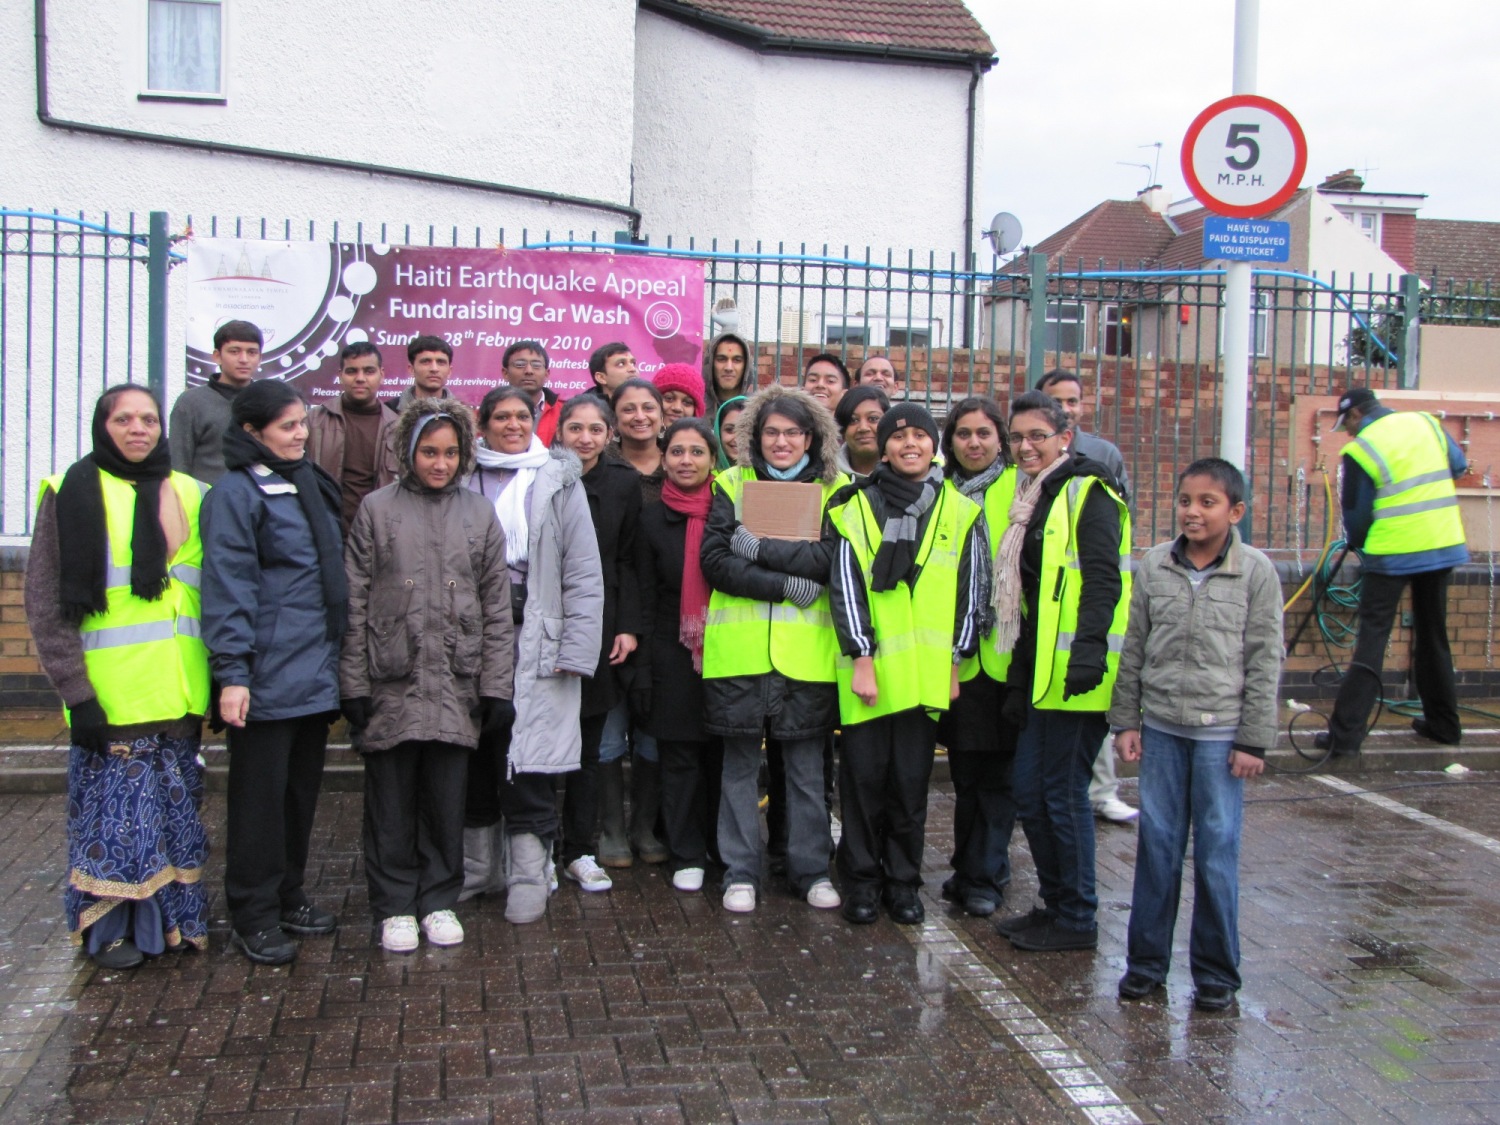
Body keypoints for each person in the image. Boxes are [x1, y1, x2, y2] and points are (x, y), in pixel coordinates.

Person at [25, 385, 212, 968]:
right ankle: (110, 932)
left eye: (149, 419)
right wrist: (76, 694)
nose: (139, 429)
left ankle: (176, 926)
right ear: (102, 426)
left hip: (178, 689)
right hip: (109, 698)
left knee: (174, 817)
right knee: (116, 823)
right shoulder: (70, 493)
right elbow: (45, 605)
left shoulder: (191, 492)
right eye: (125, 419)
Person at [341, 398, 513, 952]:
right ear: (407, 452)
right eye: (428, 452)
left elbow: (495, 606)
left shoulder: (478, 513)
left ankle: (439, 897)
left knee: (445, 798)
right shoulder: (376, 508)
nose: (439, 463)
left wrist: (495, 685)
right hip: (392, 675)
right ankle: (394, 903)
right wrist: (354, 683)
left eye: (450, 453)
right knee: (390, 800)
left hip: (456, 681)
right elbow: (354, 600)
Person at [1112, 458, 1283, 1012]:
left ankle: (1215, 975)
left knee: (1215, 854)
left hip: (1220, 738)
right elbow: (1134, 645)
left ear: (1234, 511)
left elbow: (1263, 660)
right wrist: (1127, 721)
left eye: (1208, 502)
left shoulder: (1255, 571)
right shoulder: (1155, 564)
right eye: (1186, 500)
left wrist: (1253, 740)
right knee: (1157, 848)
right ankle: (1145, 966)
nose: (1193, 511)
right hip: (1160, 731)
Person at [201, 379, 347, 966]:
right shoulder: (236, 495)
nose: (301, 434)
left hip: (314, 671)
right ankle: (252, 912)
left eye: (302, 424)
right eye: (288, 426)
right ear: (251, 433)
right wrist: (232, 673)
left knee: (298, 796)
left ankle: (289, 894)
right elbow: (228, 587)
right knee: (258, 802)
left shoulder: (306, 481)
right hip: (264, 676)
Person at [826, 404, 988, 926]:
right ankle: (863, 883)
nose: (909, 444)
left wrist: (955, 664)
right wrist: (861, 657)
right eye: (899, 436)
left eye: (921, 435)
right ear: (885, 446)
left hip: (926, 678)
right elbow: (845, 587)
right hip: (868, 675)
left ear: (934, 446)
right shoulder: (855, 506)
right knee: (863, 784)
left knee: (910, 787)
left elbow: (973, 590)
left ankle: (903, 883)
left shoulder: (961, 510)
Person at [992, 390, 1130, 954]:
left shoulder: (1088, 492)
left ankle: (1077, 916)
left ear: (1064, 438)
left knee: (1060, 794)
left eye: (1036, 437)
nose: (1025, 447)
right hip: (1041, 671)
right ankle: (1055, 903)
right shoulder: (1034, 495)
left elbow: (1103, 579)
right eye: (1018, 437)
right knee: (1031, 789)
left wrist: (1090, 653)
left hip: (1077, 673)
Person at [701, 385, 848, 914]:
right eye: (771, 433)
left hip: (807, 657)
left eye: (792, 432)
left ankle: (811, 871)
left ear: (811, 437)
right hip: (738, 654)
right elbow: (715, 560)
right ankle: (741, 871)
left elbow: (830, 560)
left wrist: (757, 546)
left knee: (807, 772)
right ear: (754, 437)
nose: (781, 442)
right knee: (738, 769)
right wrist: (786, 583)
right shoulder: (731, 483)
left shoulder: (837, 490)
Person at [461, 386, 603, 923]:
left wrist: (578, 647)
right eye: (502, 417)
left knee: (531, 757)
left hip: (538, 635)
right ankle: (479, 870)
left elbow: (584, 572)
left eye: (523, 415)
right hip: (474, 638)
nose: (513, 425)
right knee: (476, 749)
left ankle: (527, 875)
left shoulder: (558, 479)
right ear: (483, 423)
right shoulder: (463, 474)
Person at [1316, 387, 1470, 754]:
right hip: (1442, 544)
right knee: (1434, 636)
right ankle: (1444, 726)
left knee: (1372, 640)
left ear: (1355, 416)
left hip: (1393, 552)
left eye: (1347, 425)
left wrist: (1357, 542)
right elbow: (1459, 466)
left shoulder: (1361, 448)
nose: (1349, 433)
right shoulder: (1426, 423)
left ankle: (1345, 737)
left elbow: (1356, 514)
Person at [1038, 368, 1137, 825]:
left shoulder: (1102, 457)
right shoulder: (1027, 465)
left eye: (1072, 400)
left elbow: (1106, 550)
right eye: (1056, 399)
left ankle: (1103, 792)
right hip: (1041, 637)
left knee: (1083, 732)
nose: (1066, 406)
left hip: (1084, 629)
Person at [553, 395, 641, 885]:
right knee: (541, 740)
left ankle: (579, 849)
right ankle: (539, 845)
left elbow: (628, 558)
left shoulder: (624, 483)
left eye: (594, 429)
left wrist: (627, 625)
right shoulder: (539, 476)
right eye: (574, 428)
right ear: (559, 432)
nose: (584, 439)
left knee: (589, 743)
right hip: (547, 621)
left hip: (600, 624)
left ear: (610, 435)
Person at [937, 396, 1020, 918]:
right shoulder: (937, 491)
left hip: (1005, 656)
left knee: (998, 777)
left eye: (983, 433)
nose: (973, 443)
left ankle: (986, 876)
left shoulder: (1022, 489)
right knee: (966, 773)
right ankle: (970, 867)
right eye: (963, 434)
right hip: (955, 656)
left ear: (1000, 440)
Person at [635, 418, 724, 893]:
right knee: (680, 756)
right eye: (677, 452)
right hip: (672, 651)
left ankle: (720, 845)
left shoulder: (730, 511)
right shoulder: (651, 518)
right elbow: (646, 598)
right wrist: (645, 667)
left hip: (729, 646)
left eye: (696, 452)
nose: (686, 461)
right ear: (664, 458)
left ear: (713, 459)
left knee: (723, 754)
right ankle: (686, 851)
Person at [604, 378, 669, 862]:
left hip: (665, 617)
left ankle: (644, 826)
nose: (640, 416)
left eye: (649, 407)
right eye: (629, 408)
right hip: (612, 612)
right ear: (614, 416)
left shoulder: (681, 465)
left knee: (652, 724)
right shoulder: (603, 469)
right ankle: (611, 830)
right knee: (610, 725)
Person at [306, 341, 400, 531]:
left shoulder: (398, 427)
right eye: (351, 371)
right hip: (324, 531)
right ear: (340, 375)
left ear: (381, 374)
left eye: (368, 371)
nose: (360, 378)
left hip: (376, 534)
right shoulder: (313, 421)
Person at [170, 320, 262, 484]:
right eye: (234, 351)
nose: (243, 359)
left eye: (252, 352)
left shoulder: (269, 402)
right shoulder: (191, 403)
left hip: (260, 502)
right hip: (205, 502)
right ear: (217, 356)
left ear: (260, 358)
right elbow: (178, 464)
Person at [503, 339, 562, 446]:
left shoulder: (564, 412)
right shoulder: (489, 411)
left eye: (536, 365)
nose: (529, 371)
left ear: (547, 373)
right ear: (505, 373)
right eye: (520, 364)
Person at [834, 385, 890, 482]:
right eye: (853, 420)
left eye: (873, 419)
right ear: (842, 430)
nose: (863, 428)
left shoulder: (905, 474)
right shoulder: (825, 477)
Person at [396, 335, 453, 410]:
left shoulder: (463, 417)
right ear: (412, 369)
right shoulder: (390, 412)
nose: (434, 369)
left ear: (449, 371)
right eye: (426, 362)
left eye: (441, 362)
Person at [703, 332, 752, 419]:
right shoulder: (696, 409)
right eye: (721, 359)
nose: (729, 368)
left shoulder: (756, 411)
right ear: (710, 364)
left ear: (746, 366)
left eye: (737, 360)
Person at [714, 397, 747, 471]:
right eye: (730, 430)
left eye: (746, 431)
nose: (737, 439)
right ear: (718, 432)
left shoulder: (769, 478)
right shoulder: (703, 476)